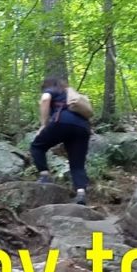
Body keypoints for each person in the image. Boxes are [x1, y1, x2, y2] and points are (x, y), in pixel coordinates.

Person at [30, 77, 92, 205]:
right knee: (77, 164)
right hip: (83, 127)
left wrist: (43, 125)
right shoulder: (69, 93)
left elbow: (45, 99)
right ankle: (81, 194)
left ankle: (44, 176)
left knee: (37, 146)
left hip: (62, 121)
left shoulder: (52, 89)